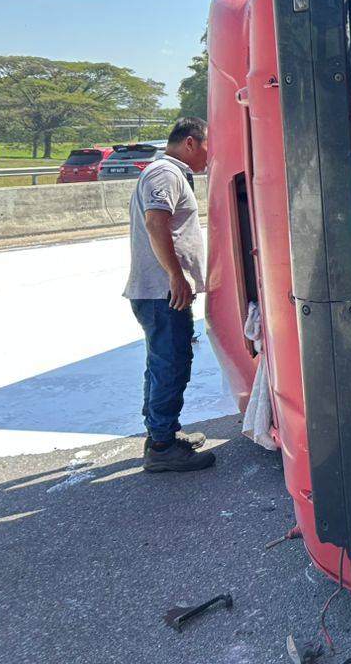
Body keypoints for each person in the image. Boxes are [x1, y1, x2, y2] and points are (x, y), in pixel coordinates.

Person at [123, 117, 215, 472]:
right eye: (208, 144)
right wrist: (175, 276)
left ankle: (161, 433)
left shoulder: (168, 172)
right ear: (191, 143)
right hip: (162, 292)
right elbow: (155, 222)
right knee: (171, 364)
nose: (211, 153)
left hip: (161, 292)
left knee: (164, 363)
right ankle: (161, 447)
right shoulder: (166, 173)